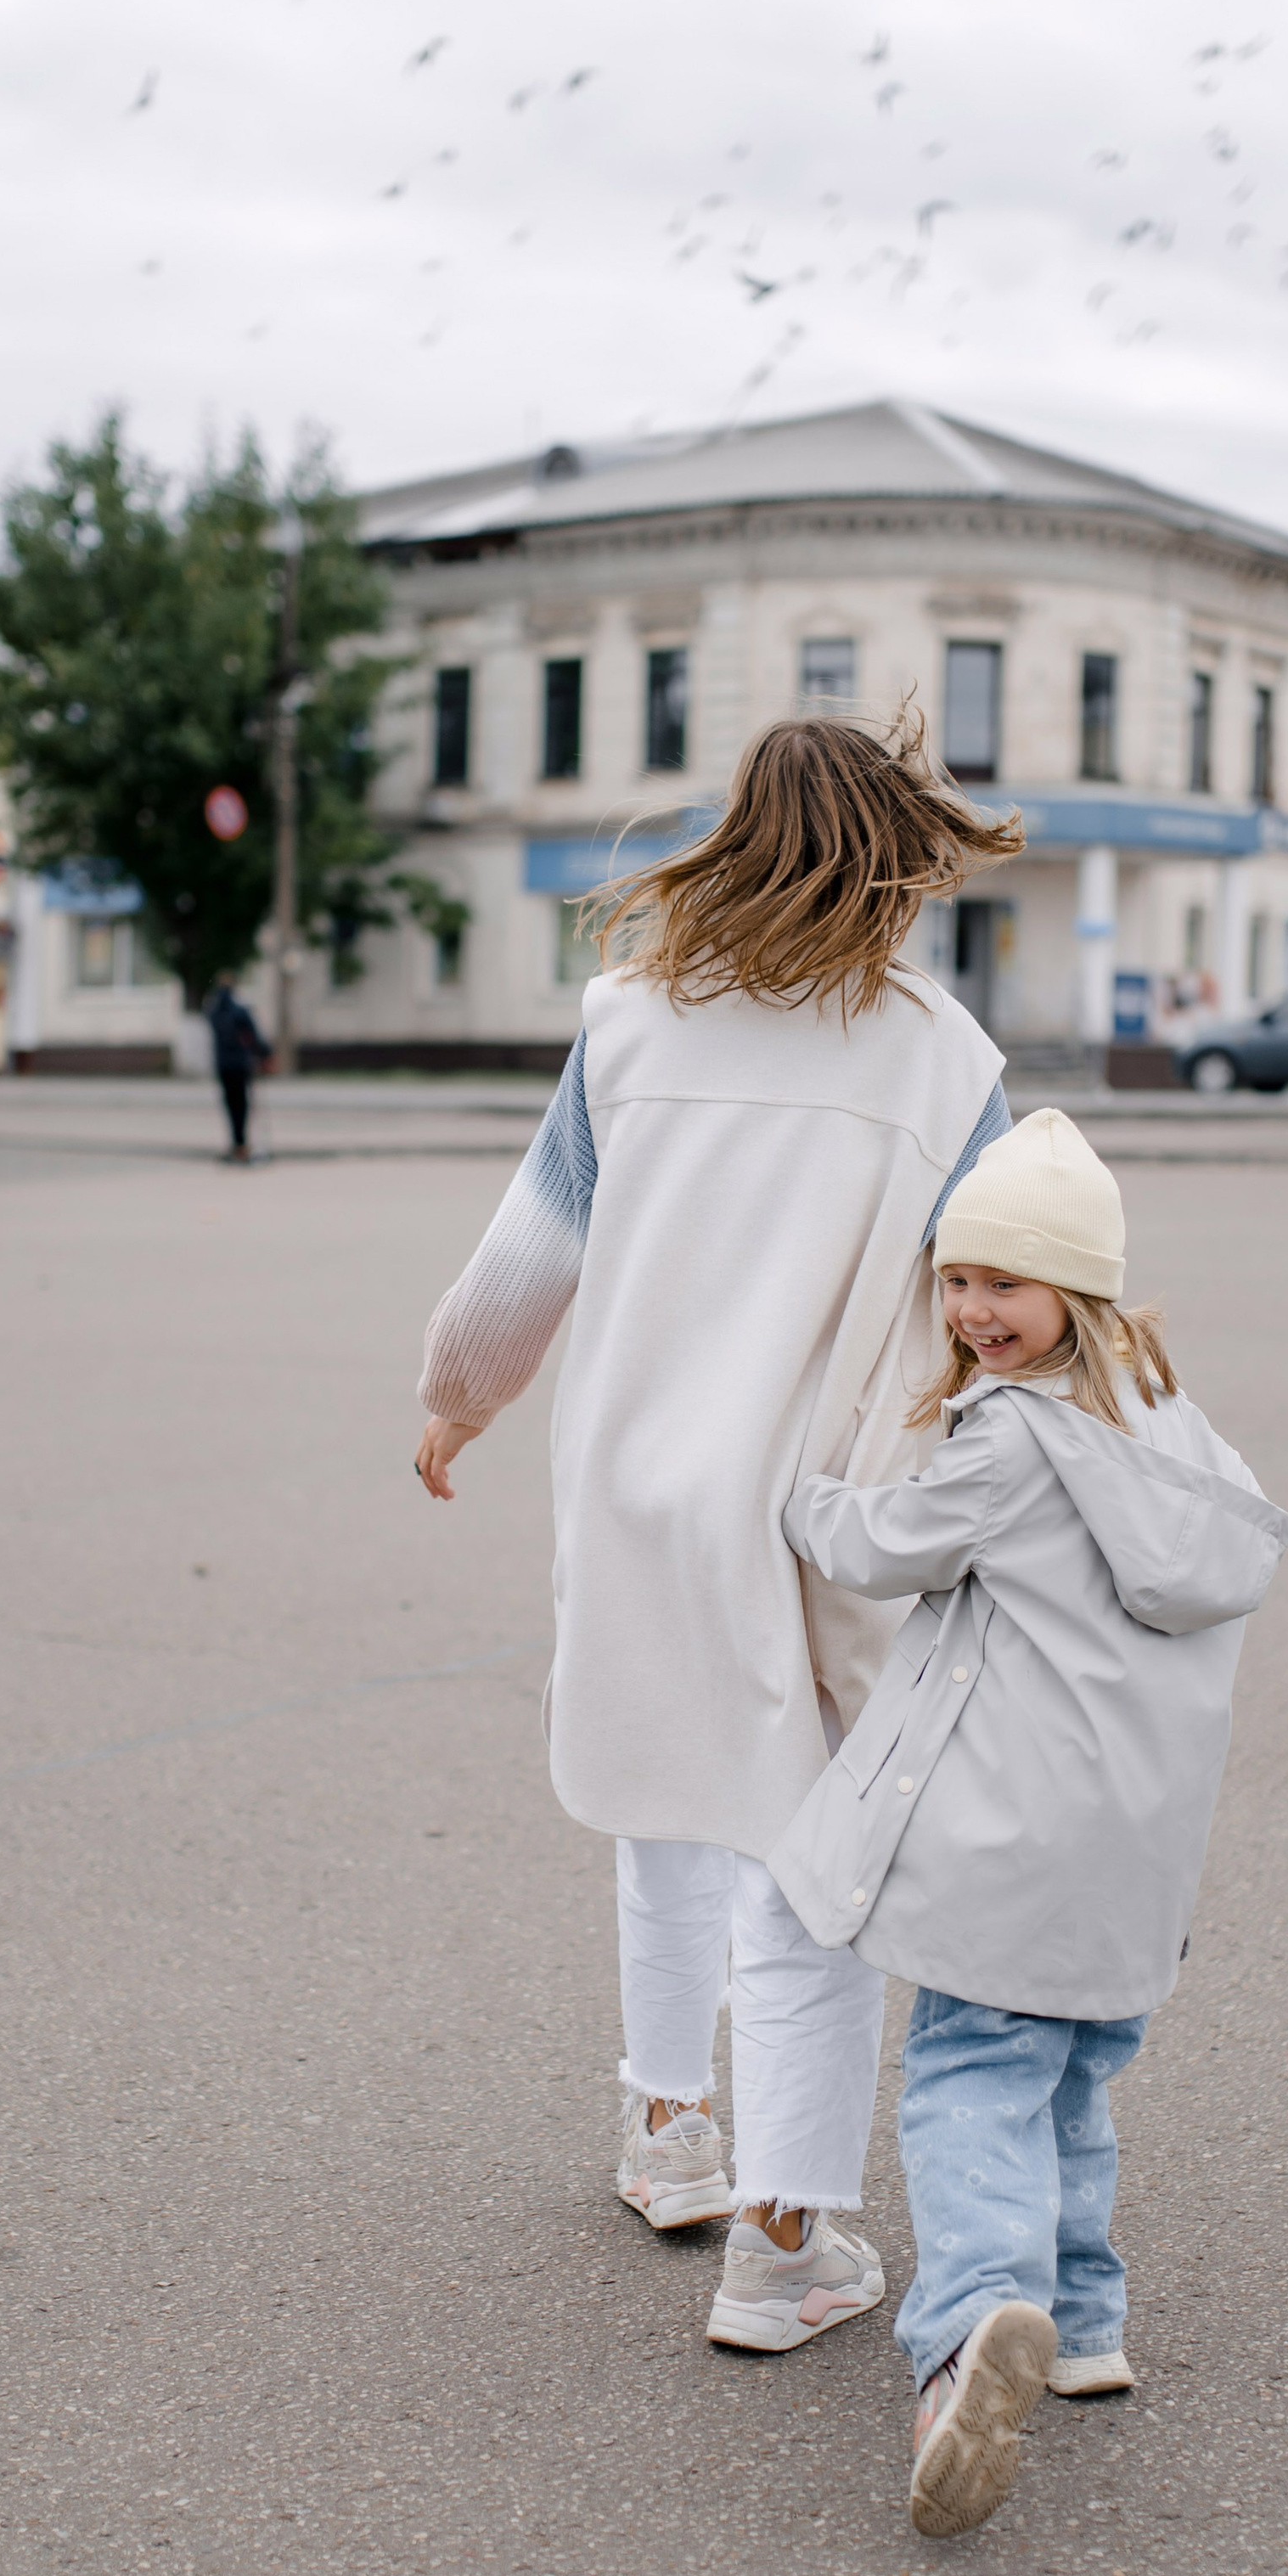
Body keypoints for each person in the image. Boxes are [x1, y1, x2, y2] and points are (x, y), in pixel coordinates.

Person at [413, 714, 1025, 2353]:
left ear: (737, 836)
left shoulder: (630, 1023)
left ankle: (667, 2126)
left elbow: (530, 1249)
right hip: (824, 1502)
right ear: (898, 856)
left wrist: (458, 1397)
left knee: (663, 1797)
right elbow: (1002, 1283)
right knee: (811, 1859)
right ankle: (788, 2237)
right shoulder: (941, 1054)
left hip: (634, 1485)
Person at [770, 1110, 1288, 2533]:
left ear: (1080, 1289)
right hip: (1133, 1857)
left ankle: (970, 2335)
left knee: (965, 2076)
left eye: (1005, 1283)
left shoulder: (1016, 1438)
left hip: (1009, 1845)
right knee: (1065, 2081)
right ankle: (1086, 2314)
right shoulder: (1175, 1429)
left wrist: (796, 1495)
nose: (972, 1312)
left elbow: (887, 1548)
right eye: (955, 1281)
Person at [205, 980, 269, 1162]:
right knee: (242, 1105)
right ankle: (242, 1144)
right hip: (240, 1065)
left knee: (230, 1105)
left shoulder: (214, 1012)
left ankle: (235, 1143)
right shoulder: (240, 1011)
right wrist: (264, 1054)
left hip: (223, 1065)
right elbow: (254, 1036)